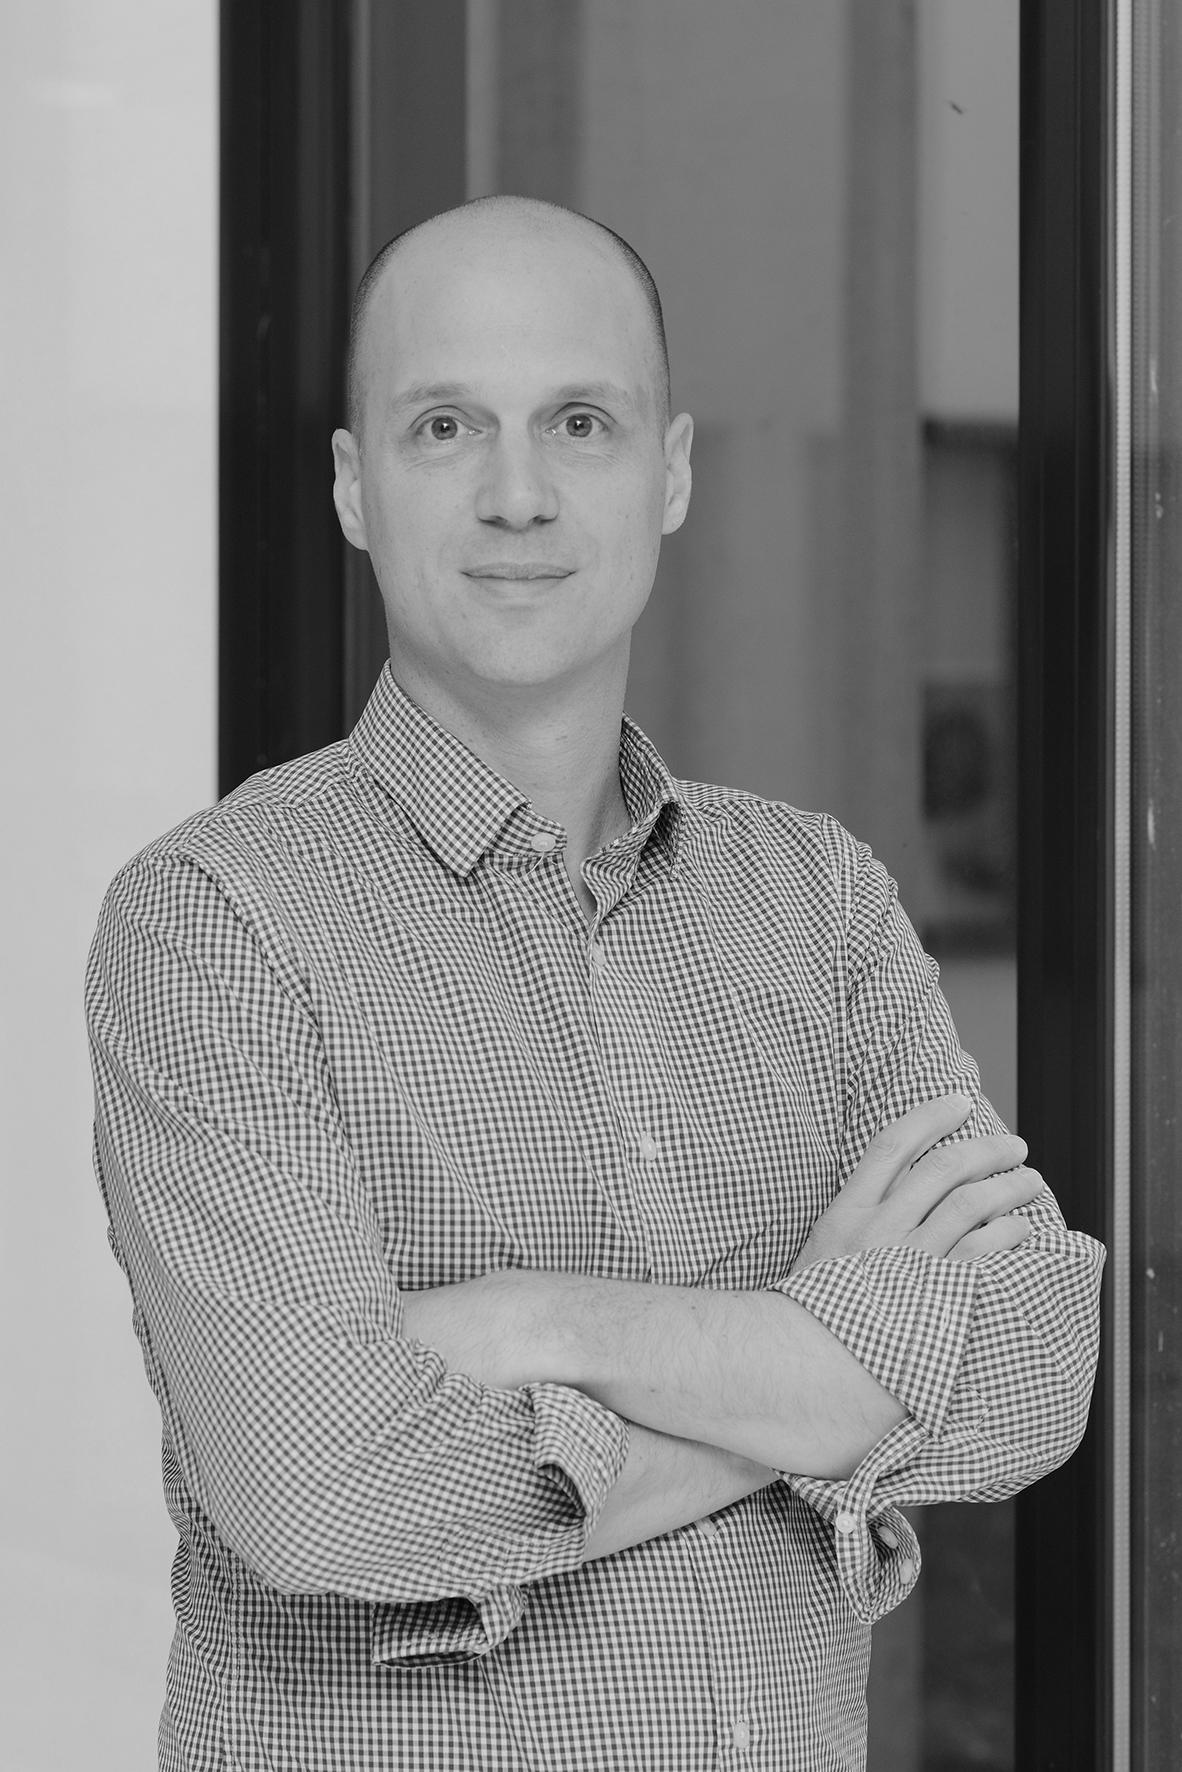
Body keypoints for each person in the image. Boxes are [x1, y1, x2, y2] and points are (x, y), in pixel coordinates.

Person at [86, 195, 1103, 1771]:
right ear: (353, 487)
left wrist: (533, 1322)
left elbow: (1031, 1367)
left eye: (580, 422)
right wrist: (818, 1368)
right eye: (445, 427)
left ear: (670, 472)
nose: (517, 494)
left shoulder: (818, 902)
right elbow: (319, 1488)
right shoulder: (217, 923)